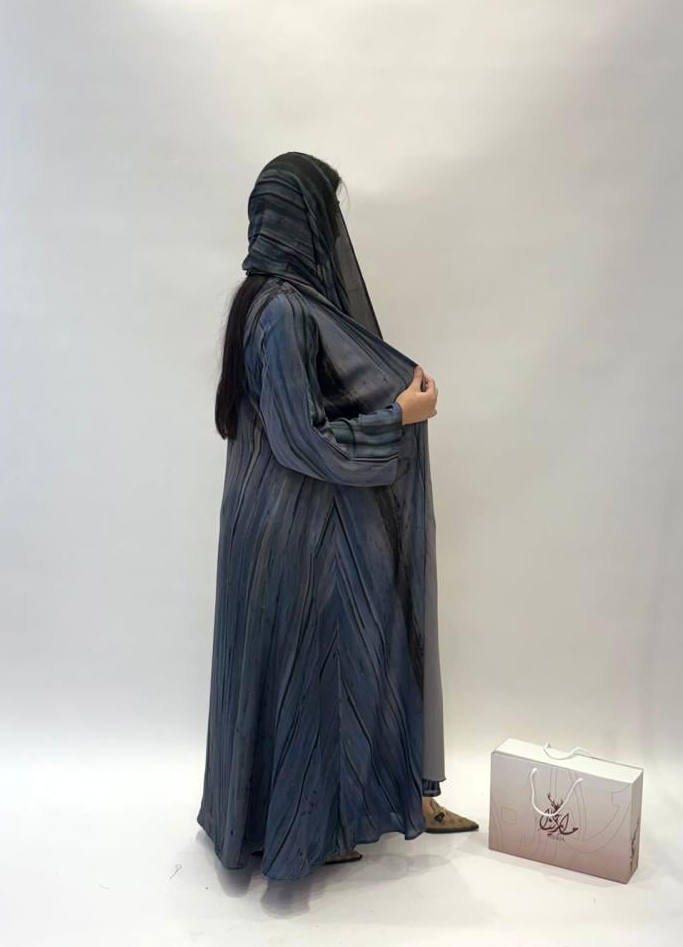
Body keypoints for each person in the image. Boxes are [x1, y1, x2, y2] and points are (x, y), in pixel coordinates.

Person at [196, 151, 477, 881]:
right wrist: (399, 416)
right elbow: (304, 439)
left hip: (267, 525)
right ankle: (305, 830)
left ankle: (302, 820)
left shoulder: (259, 302)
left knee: (297, 670)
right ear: (303, 219)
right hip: (295, 532)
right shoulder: (285, 311)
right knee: (315, 671)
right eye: (326, 212)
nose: (334, 230)